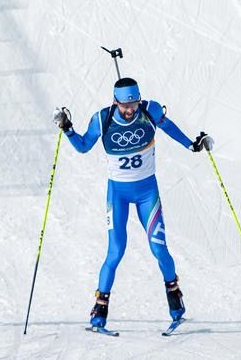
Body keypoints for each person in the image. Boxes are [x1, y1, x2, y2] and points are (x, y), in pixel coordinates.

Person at [52, 77, 213, 331]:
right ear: (115, 102)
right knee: (115, 251)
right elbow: (83, 146)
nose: (130, 110)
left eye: (134, 104)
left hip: (147, 193)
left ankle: (175, 302)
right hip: (118, 194)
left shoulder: (150, 110)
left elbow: (169, 127)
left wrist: (192, 144)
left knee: (159, 249)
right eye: (125, 106)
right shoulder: (103, 119)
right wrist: (67, 128)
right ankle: (99, 312)